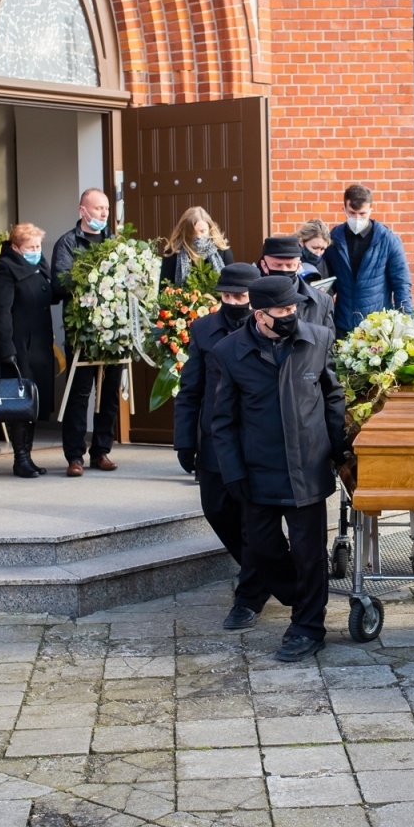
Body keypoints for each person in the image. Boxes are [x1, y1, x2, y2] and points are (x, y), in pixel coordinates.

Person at [209, 275, 347, 661]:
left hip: (308, 467)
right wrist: (233, 472)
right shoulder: (228, 352)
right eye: (280, 311)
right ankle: (298, 596)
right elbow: (222, 421)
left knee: (309, 553)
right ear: (258, 314)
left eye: (293, 309)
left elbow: (332, 396)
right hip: (258, 470)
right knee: (264, 552)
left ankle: (307, 627)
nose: (289, 316)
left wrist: (340, 452)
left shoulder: (318, 340)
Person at [174, 263, 261, 623]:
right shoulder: (204, 328)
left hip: (255, 438)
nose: (232, 302)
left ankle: (250, 595)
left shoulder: (267, 328)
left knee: (253, 518)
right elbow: (190, 389)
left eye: (240, 297)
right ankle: (265, 568)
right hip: (214, 439)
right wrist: (184, 441)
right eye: (226, 296)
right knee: (215, 509)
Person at [52, 188, 121, 476]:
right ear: (83, 211)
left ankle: (101, 450)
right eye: (98, 208)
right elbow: (58, 285)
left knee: (110, 393)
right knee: (80, 392)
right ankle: (74, 456)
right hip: (82, 331)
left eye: (106, 208)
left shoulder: (114, 242)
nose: (103, 213)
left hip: (113, 331)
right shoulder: (68, 243)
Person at [0, 223, 60, 478]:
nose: (36, 251)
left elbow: (50, 295)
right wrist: (6, 349)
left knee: (33, 404)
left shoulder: (39, 265)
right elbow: (0, 313)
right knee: (20, 403)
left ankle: (27, 456)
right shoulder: (4, 270)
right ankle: (20, 458)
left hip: (38, 345)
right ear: (16, 247)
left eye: (38, 246)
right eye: (31, 247)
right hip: (18, 346)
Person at [322, 184, 411, 334]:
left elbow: (401, 284)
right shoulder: (334, 240)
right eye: (352, 213)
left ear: (371, 211)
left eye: (362, 213)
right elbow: (327, 283)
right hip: (342, 325)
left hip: (378, 327)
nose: (357, 218)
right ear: (343, 209)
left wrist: (406, 324)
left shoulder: (388, 241)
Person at [258, 235, 334, 330]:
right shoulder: (251, 299)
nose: (284, 269)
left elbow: (327, 341)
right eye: (277, 265)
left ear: (298, 266)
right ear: (264, 265)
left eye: (290, 265)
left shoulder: (323, 302)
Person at [158, 205, 232, 288]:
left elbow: (232, 285)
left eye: (202, 231)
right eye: (192, 233)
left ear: (210, 228)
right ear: (184, 232)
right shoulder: (172, 254)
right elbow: (164, 291)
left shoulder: (222, 251)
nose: (199, 236)